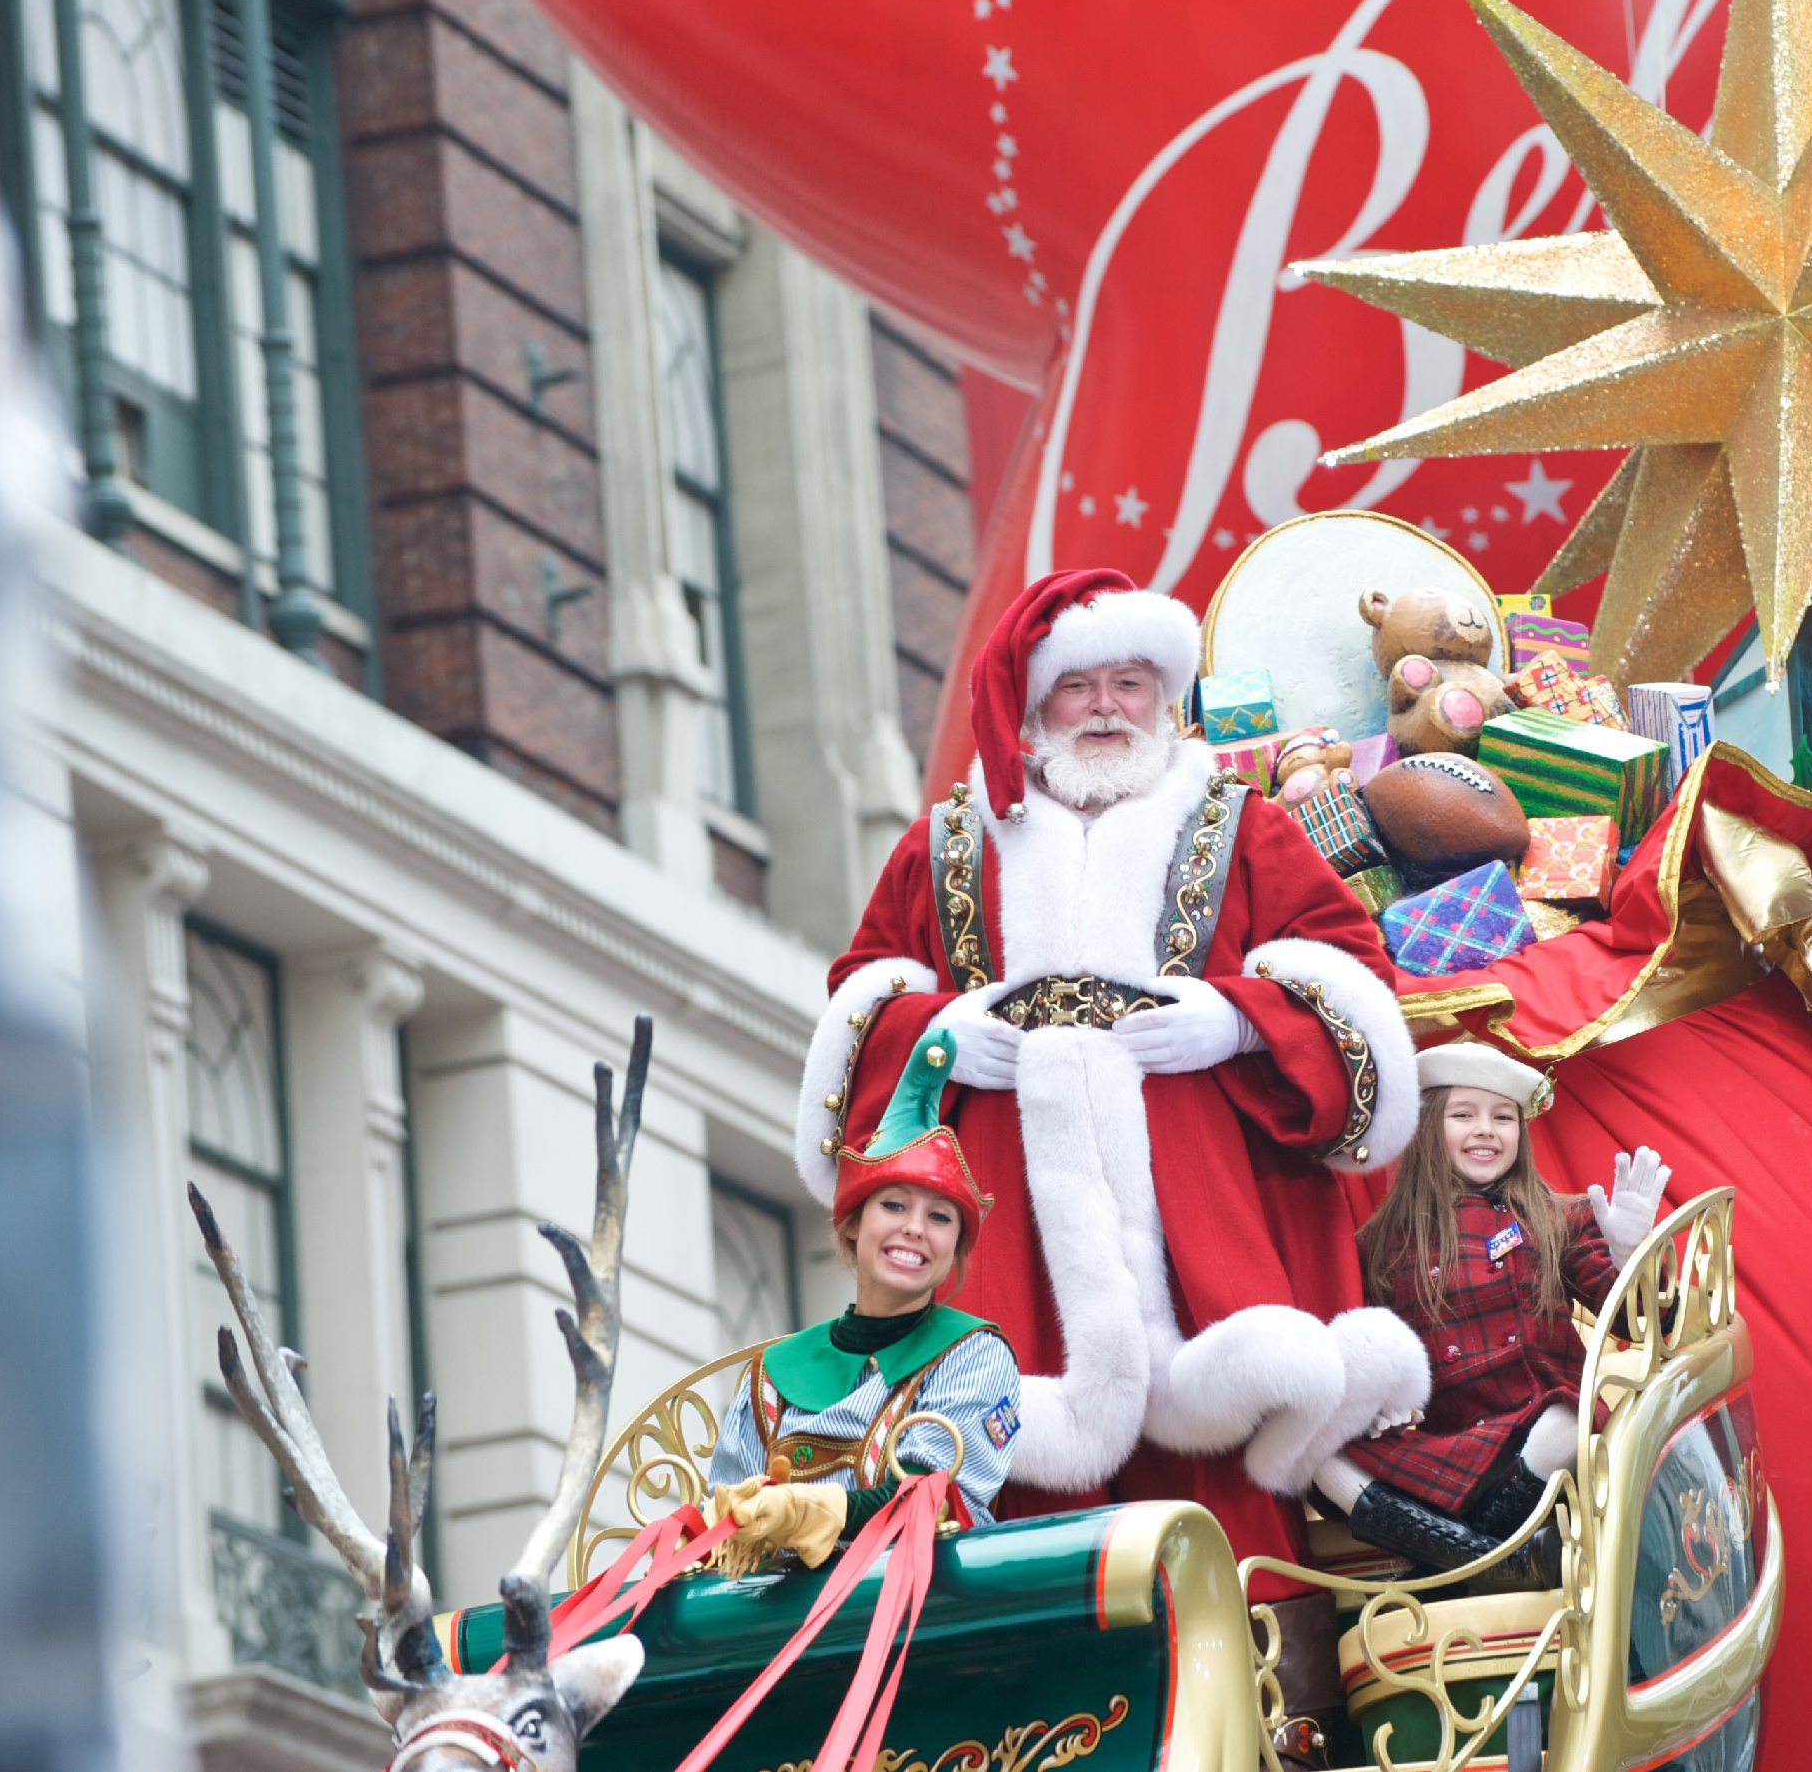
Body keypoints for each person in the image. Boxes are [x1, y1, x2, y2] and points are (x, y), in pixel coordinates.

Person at [794, 567, 1426, 1717]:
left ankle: (1273, 1730)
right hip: (1009, 1248)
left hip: (1208, 1252)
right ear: (1028, 712)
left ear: (1167, 697)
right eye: (1075, 686)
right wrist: (941, 1040)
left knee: (1225, 1491)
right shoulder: (944, 848)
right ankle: (1016, 1721)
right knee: (1005, 1483)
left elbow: (1356, 989)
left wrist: (1238, 1019)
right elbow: (859, 1018)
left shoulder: (1248, 830)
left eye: (1129, 683)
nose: (1102, 708)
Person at [1314, 1039, 1669, 1572]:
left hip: (1539, 1439)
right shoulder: (1378, 1245)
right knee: (1319, 1457)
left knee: (1563, 1419)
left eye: (1503, 1117)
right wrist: (1380, 1401)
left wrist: (1630, 1256)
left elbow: (1643, 1322)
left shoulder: (1557, 1219)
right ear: (1428, 1129)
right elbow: (1367, 1348)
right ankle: (1489, 1561)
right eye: (1464, 1114)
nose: (1486, 1129)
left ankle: (1464, 1559)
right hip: (1450, 1446)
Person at [711, 1023, 1019, 1569]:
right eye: (894, 1206)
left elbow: (935, 1499)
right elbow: (725, 1529)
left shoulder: (974, 1354)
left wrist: (812, 1509)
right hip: (771, 1633)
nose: (915, 1229)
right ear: (853, 1224)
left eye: (940, 1217)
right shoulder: (771, 1371)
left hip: (912, 1622)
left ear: (956, 1248)